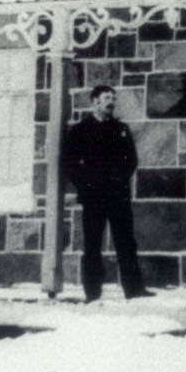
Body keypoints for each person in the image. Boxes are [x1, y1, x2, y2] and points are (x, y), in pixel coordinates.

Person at [61, 83, 152, 302]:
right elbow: (69, 163)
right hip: (93, 197)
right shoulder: (80, 130)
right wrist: (86, 184)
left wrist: (118, 180)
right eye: (106, 98)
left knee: (126, 241)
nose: (111, 102)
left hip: (118, 195)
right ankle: (92, 292)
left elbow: (131, 160)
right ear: (94, 102)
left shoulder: (120, 129)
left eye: (113, 97)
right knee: (92, 242)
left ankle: (134, 289)